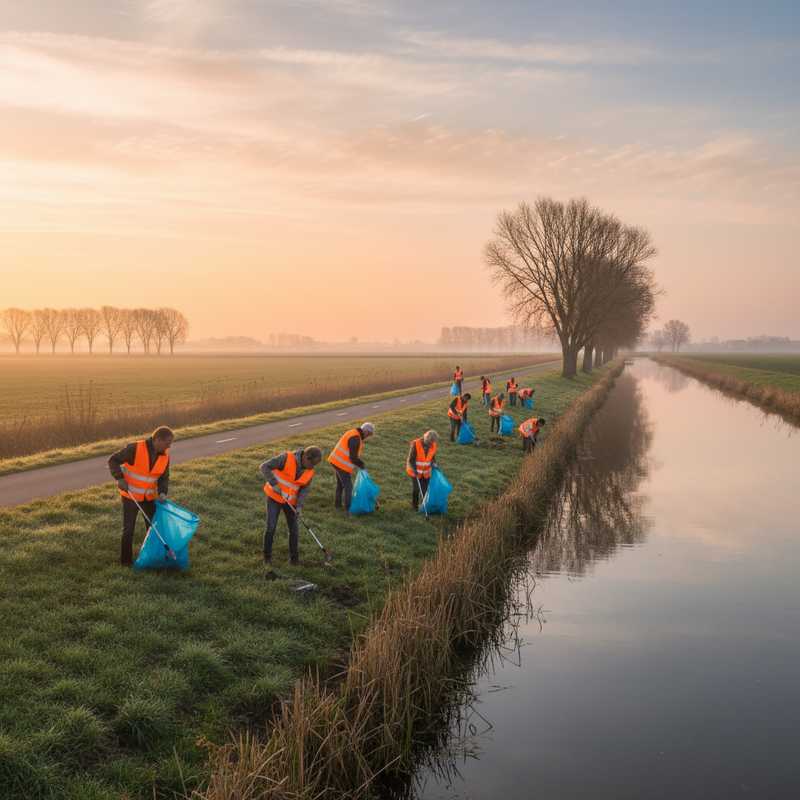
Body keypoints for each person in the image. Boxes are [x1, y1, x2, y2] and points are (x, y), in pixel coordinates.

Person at [108, 426, 174, 566]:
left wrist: (162, 492)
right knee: (128, 529)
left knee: (152, 529)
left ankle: (150, 558)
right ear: (158, 439)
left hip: (149, 498)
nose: (169, 446)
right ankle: (125, 563)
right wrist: (119, 478)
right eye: (167, 443)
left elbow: (164, 477)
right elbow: (113, 460)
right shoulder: (135, 448)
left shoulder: (165, 456)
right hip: (130, 496)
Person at [260, 445, 323, 568]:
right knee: (271, 527)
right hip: (275, 497)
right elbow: (264, 466)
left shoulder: (309, 471)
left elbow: (304, 490)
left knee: (294, 530)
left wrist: (299, 507)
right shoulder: (286, 458)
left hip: (291, 503)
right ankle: (267, 558)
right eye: (313, 463)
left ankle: (294, 560)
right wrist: (274, 484)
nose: (313, 467)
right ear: (306, 457)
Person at [327, 422, 374, 511]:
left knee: (340, 484)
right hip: (341, 464)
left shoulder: (353, 432)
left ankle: (337, 505)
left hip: (335, 460)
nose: (367, 437)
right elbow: (353, 458)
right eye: (369, 435)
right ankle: (348, 508)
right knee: (348, 487)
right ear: (366, 432)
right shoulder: (355, 438)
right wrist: (362, 465)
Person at [406, 430, 438, 510]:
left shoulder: (433, 445)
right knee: (416, 489)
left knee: (425, 490)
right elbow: (411, 460)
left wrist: (434, 463)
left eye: (432, 443)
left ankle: (423, 506)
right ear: (426, 439)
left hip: (426, 472)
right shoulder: (416, 444)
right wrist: (414, 470)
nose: (431, 444)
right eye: (430, 443)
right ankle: (414, 506)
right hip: (415, 471)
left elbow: (432, 458)